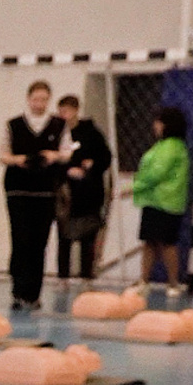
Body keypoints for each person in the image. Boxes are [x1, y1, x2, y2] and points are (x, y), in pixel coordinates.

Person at [1, 79, 62, 311]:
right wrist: (21, 159)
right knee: (20, 240)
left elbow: (65, 152)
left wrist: (52, 156)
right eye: (36, 98)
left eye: (44, 99)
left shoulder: (58, 125)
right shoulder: (14, 124)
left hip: (45, 191)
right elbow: (3, 154)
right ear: (29, 99)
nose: (39, 103)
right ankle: (18, 290)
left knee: (40, 242)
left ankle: (33, 293)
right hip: (18, 189)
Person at [51, 93, 111, 286]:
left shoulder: (91, 132)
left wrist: (91, 165)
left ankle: (86, 275)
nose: (64, 115)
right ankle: (63, 276)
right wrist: (67, 170)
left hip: (88, 191)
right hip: (67, 193)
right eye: (61, 112)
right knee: (64, 236)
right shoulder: (57, 133)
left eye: (66, 111)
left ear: (76, 110)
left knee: (88, 236)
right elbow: (54, 160)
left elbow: (105, 157)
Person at [131, 104, 191, 293]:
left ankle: (173, 283)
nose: (155, 126)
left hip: (166, 202)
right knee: (149, 241)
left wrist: (133, 187)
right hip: (153, 201)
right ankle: (144, 280)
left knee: (167, 243)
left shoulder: (172, 147)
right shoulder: (160, 145)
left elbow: (156, 173)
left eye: (158, 122)